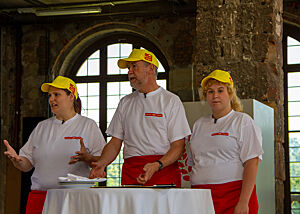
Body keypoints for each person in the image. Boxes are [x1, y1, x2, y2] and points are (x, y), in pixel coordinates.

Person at [3, 76, 106, 214]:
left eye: (57, 94)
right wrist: (17, 160)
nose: (51, 99)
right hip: (39, 197)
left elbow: (102, 161)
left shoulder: (88, 125)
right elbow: (27, 164)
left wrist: (87, 158)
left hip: (73, 199)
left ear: (71, 96)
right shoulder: (41, 127)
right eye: (50, 95)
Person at [90, 48, 191, 187]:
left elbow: (178, 146)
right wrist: (102, 163)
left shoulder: (171, 100)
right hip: (131, 173)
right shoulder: (125, 102)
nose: (129, 71)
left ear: (150, 68)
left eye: (134, 66)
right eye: (128, 68)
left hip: (163, 172)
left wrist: (157, 165)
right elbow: (115, 143)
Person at [188, 69, 263, 214]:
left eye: (220, 90)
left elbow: (252, 163)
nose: (215, 95)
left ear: (230, 94)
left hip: (234, 196)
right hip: (201, 197)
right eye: (210, 91)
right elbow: (194, 162)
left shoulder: (243, 121)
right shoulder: (199, 124)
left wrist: (243, 202)